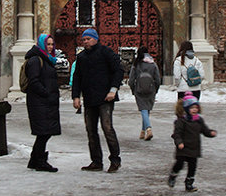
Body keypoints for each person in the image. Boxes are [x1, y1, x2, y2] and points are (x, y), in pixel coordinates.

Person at [71, 28, 124, 172]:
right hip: (89, 98)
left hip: (105, 98)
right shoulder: (81, 57)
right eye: (84, 40)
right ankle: (96, 161)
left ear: (95, 39)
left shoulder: (105, 52)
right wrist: (76, 96)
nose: (85, 42)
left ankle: (115, 159)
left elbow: (118, 70)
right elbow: (77, 77)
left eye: (88, 39)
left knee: (107, 128)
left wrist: (113, 89)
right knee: (90, 130)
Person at [23, 33, 61, 172]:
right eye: (48, 44)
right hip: (39, 102)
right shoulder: (36, 60)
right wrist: (46, 93)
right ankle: (39, 161)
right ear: (41, 44)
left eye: (52, 44)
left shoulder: (47, 59)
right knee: (44, 132)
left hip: (45, 102)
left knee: (45, 132)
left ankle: (35, 159)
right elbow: (34, 81)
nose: (50, 47)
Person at [168, 93, 217, 192]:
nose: (194, 110)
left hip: (194, 148)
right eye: (192, 108)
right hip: (183, 148)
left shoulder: (199, 120)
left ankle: (189, 184)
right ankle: (173, 175)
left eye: (196, 107)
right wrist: (179, 142)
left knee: (192, 167)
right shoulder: (181, 121)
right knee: (180, 164)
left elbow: (204, 130)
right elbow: (176, 134)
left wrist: (210, 133)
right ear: (186, 109)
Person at [128, 46, 161, 140]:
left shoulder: (136, 64)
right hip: (151, 89)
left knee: (143, 110)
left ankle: (148, 129)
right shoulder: (153, 64)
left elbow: (131, 80)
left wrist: (133, 89)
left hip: (139, 89)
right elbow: (158, 79)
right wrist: (156, 90)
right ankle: (143, 132)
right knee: (146, 110)